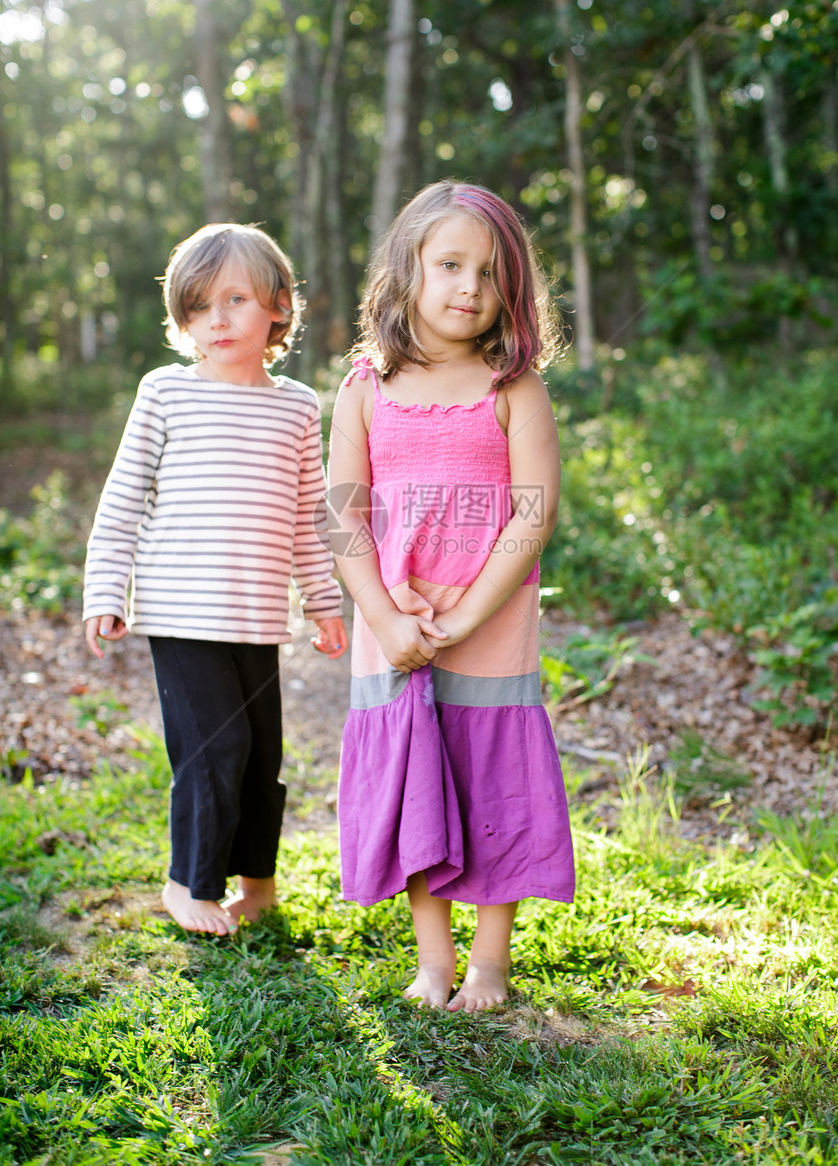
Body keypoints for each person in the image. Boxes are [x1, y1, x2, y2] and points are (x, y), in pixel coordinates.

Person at [328, 180, 575, 1012]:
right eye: (450, 265)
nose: (470, 285)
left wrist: (469, 613)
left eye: (490, 271)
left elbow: (531, 516)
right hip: (393, 626)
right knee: (413, 783)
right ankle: (433, 961)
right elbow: (345, 518)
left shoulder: (515, 389)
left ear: (513, 289)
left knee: (490, 777)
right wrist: (384, 616)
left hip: (489, 623)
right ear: (409, 272)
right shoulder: (366, 388)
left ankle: (488, 965)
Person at [83, 223, 348, 937]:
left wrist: (323, 602)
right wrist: (107, 589)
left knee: (263, 758)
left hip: (257, 619)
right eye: (198, 307)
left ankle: (257, 883)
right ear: (182, 321)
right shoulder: (165, 392)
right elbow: (124, 495)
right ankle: (189, 883)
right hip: (180, 614)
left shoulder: (295, 407)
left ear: (279, 306)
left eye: (235, 299)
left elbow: (306, 519)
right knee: (214, 751)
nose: (217, 319)